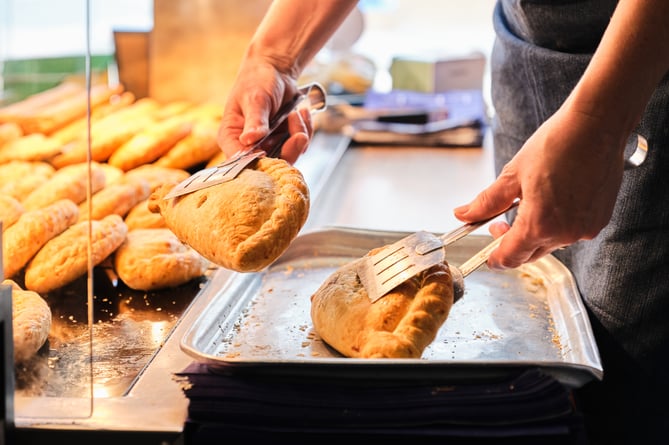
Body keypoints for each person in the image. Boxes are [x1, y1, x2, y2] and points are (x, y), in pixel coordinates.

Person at [217, 1, 669, 443]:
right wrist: (273, 57)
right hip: (531, 50)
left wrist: (599, 123)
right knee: (539, 376)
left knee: (628, 378)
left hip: (649, 58)